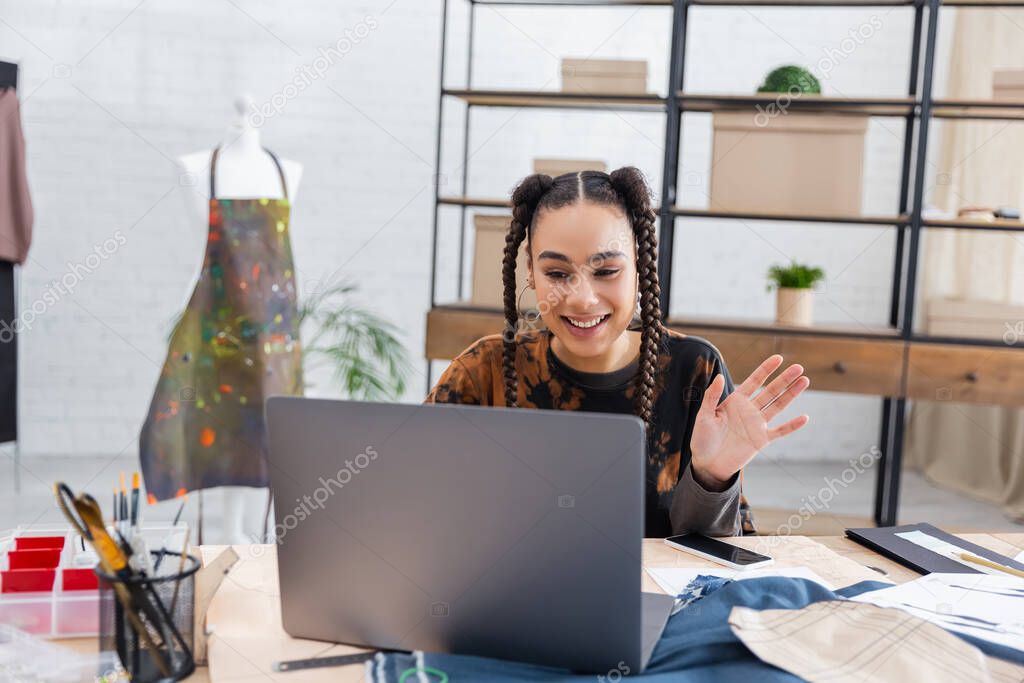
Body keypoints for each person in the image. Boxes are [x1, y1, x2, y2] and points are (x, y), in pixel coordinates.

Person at [425, 168, 810, 537]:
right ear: (530, 271)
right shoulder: (483, 370)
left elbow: (717, 565)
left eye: (606, 271)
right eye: (557, 274)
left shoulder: (694, 370)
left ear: (640, 267)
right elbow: (417, 509)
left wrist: (711, 479)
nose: (581, 298)